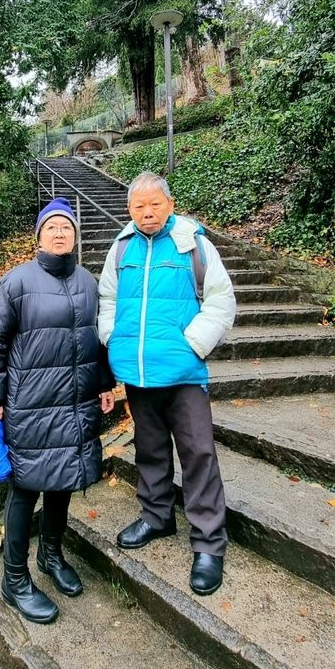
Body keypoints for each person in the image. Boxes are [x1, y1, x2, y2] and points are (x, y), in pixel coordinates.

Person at [0, 196, 115, 624]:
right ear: (39, 236)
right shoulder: (16, 282)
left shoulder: (89, 282)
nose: (59, 233)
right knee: (25, 489)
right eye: (51, 227)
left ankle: (51, 556)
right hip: (30, 406)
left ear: (74, 235)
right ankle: (13, 580)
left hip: (75, 403)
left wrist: (106, 383)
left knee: (62, 483)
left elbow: (97, 338)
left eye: (66, 227)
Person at [98, 172, 236, 596]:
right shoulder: (122, 247)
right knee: (150, 449)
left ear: (170, 205)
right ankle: (156, 517)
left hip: (183, 373)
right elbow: (107, 300)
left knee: (197, 453)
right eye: (139, 207)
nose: (147, 213)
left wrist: (192, 344)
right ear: (129, 210)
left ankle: (209, 543)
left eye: (154, 204)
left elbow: (221, 298)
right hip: (139, 374)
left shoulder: (193, 243)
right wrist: (113, 340)